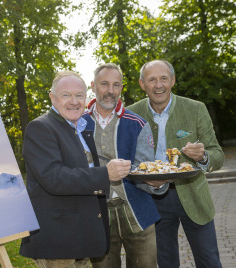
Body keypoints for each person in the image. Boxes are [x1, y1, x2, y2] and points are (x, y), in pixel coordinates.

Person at [19, 71, 131, 268]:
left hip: (80, 239)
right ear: (52, 97)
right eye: (66, 95)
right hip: (57, 242)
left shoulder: (81, 129)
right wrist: (105, 174)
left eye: (79, 95)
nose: (74, 101)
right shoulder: (40, 128)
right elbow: (54, 178)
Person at [127, 59, 224, 268]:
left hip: (194, 195)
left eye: (163, 78)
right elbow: (126, 158)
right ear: (142, 84)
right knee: (166, 263)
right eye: (152, 80)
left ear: (173, 80)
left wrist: (203, 156)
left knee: (209, 261)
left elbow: (217, 155)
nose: (158, 85)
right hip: (153, 198)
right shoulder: (132, 114)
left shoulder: (195, 109)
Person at [82, 63, 167, 268]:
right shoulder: (78, 123)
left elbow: (145, 172)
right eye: (104, 84)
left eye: (116, 85)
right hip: (97, 216)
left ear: (121, 88)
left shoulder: (137, 124)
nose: (110, 91)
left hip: (137, 213)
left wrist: (156, 183)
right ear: (93, 86)